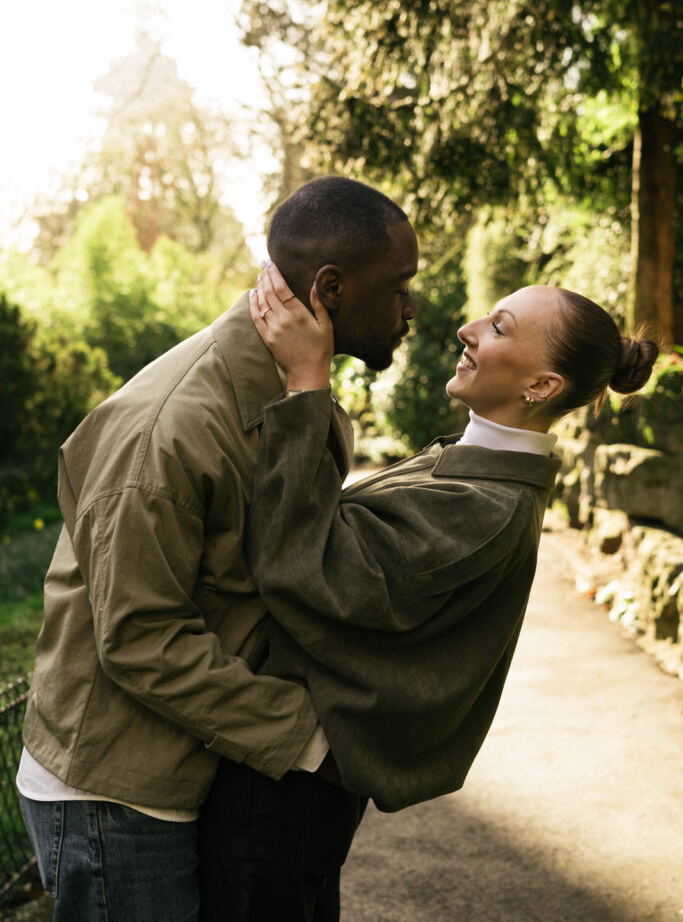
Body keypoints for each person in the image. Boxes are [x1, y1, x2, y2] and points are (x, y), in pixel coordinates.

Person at [16, 176, 419, 922]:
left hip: (200, 763)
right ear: (330, 289)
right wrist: (313, 739)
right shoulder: (169, 432)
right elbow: (141, 638)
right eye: (399, 286)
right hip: (119, 794)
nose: (411, 308)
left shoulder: (288, 388)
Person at [243, 263, 659, 820]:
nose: (468, 328)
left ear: (541, 387)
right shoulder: (471, 469)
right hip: (284, 771)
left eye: (499, 327)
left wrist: (307, 383)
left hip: (285, 792)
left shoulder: (484, 507)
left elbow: (300, 569)